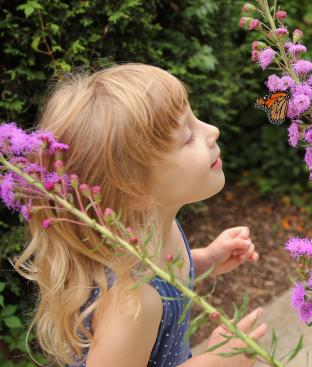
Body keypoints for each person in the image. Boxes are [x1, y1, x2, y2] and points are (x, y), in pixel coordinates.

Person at [11, 63, 268, 367]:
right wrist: (213, 363)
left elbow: (166, 278)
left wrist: (205, 260)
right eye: (187, 137)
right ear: (134, 188)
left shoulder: (157, 226)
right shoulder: (130, 305)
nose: (212, 131)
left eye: (194, 120)